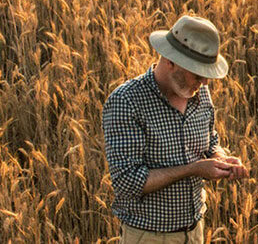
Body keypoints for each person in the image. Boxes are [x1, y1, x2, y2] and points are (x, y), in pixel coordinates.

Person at [102, 15, 249, 243]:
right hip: (149, 236)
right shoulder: (127, 101)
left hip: (195, 232)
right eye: (198, 74)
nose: (205, 83)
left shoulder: (198, 92)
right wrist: (193, 169)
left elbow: (209, 142)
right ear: (170, 61)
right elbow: (127, 182)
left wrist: (221, 159)